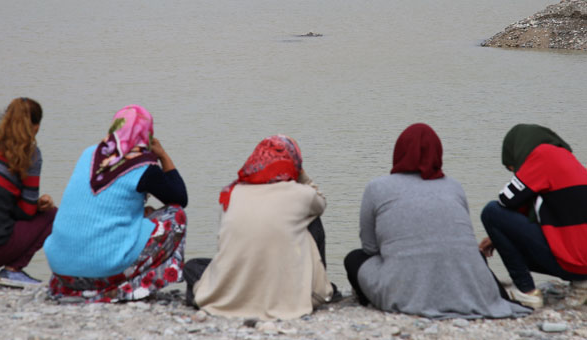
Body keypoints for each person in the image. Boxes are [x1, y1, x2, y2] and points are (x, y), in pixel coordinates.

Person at [344, 123, 531, 319]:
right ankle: (480, 295)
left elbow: (370, 248)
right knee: (473, 256)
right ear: (438, 153)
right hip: (465, 288)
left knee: (354, 258)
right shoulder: (454, 186)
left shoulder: (376, 188)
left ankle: (372, 300)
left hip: (402, 294)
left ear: (398, 152)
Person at [43, 105, 188, 302]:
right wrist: (163, 155)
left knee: (139, 214)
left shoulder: (88, 154)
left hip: (62, 273)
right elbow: (179, 198)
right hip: (102, 273)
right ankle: (130, 287)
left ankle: (78, 288)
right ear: (148, 134)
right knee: (176, 215)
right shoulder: (144, 166)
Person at [183, 135, 334, 320]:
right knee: (313, 220)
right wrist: (301, 174)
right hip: (284, 287)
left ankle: (223, 298)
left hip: (238, 282)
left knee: (192, 267)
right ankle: (317, 288)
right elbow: (321, 203)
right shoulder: (302, 194)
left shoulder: (231, 193)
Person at [480, 124, 587, 308]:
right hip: (582, 260)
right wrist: (496, 238)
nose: (515, 171)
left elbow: (506, 199)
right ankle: (581, 283)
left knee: (491, 212)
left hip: (573, 263)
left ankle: (527, 292)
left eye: (512, 166)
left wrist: (520, 176)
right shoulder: (568, 159)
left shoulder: (543, 156)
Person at [0, 98, 56, 287]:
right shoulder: (31, 156)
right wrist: (38, 205)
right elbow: (26, 212)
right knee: (51, 215)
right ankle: (12, 271)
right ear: (36, 127)